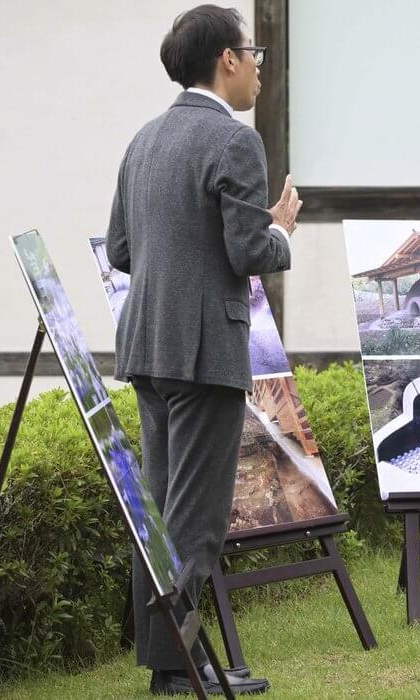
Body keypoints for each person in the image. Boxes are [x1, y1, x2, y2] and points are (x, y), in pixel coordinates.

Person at [105, 4, 300, 695]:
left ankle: (170, 664)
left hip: (146, 347)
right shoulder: (234, 142)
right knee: (198, 519)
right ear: (228, 58)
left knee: (158, 512)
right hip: (204, 348)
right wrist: (280, 233)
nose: (258, 70)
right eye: (255, 56)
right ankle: (181, 672)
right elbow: (250, 251)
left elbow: (123, 251)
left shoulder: (144, 139)